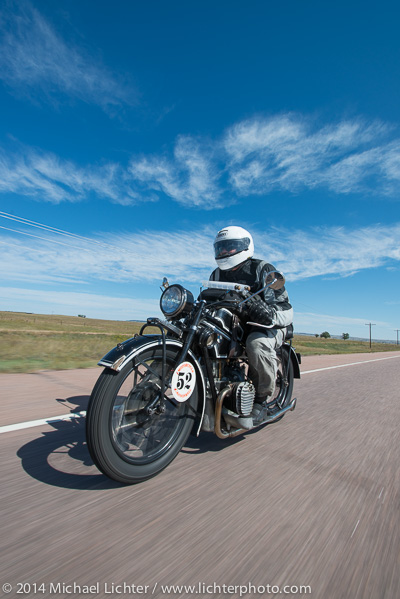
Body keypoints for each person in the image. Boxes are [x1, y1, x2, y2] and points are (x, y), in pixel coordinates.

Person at [210, 225, 293, 419]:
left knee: (256, 344)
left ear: (244, 246)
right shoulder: (215, 274)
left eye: (230, 247)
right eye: (221, 247)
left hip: (266, 326)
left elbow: (286, 309)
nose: (224, 252)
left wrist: (268, 314)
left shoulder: (263, 270)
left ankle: (261, 399)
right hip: (233, 326)